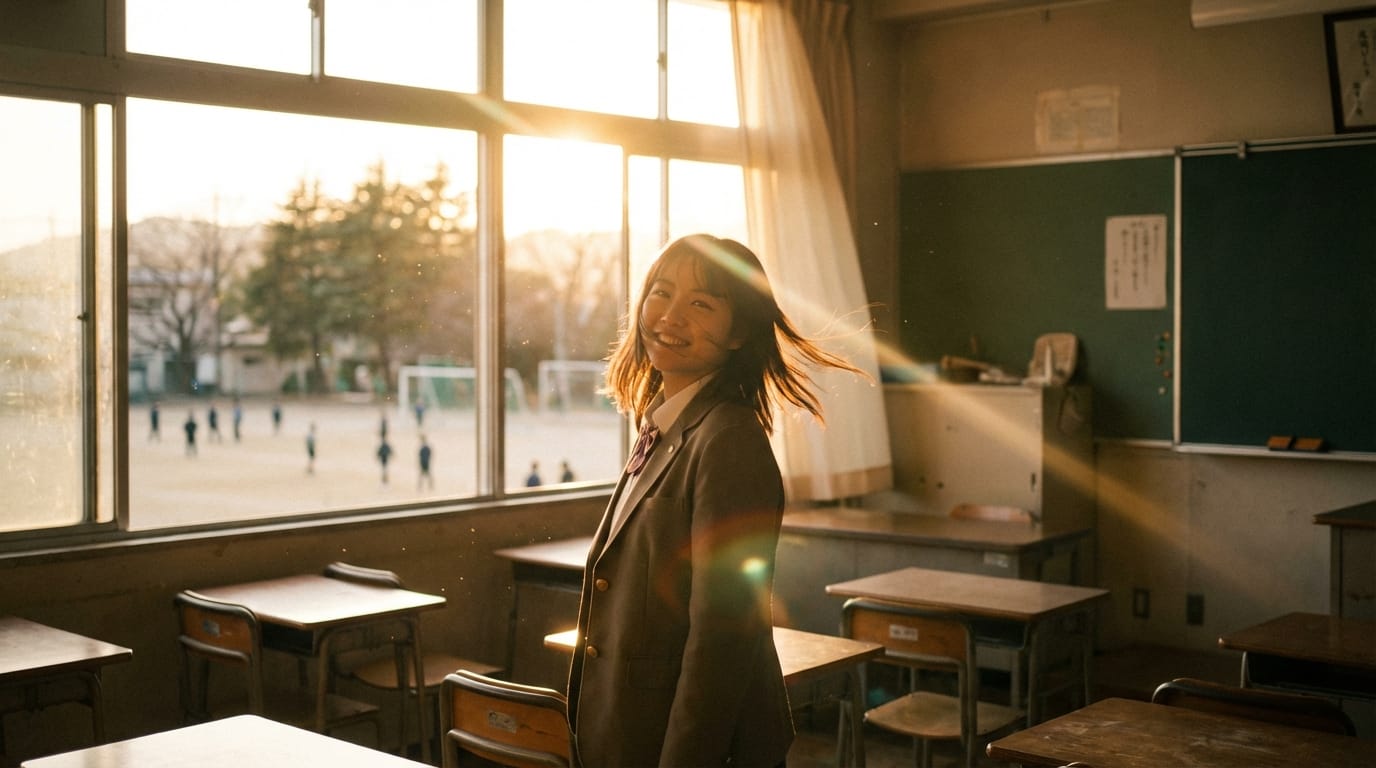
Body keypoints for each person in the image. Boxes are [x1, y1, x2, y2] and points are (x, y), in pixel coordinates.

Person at [565, 234, 866, 767]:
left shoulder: (728, 439)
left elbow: (721, 639)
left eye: (701, 304)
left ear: (739, 333)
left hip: (693, 748)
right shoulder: (666, 423)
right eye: (660, 293)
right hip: (636, 729)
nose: (669, 317)